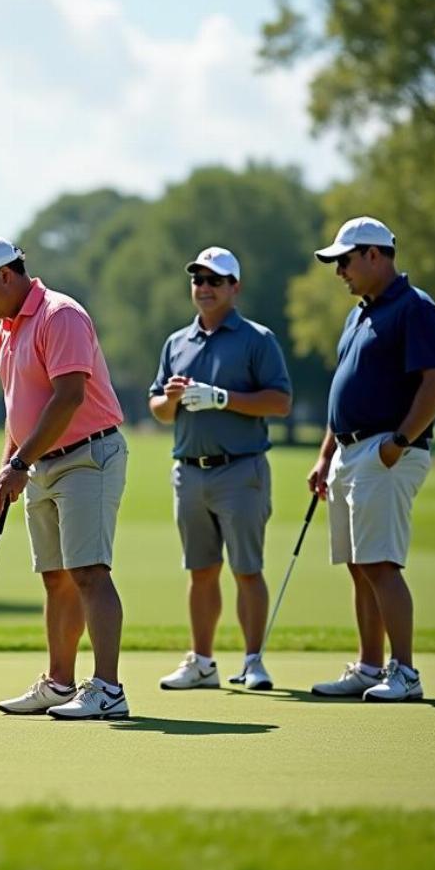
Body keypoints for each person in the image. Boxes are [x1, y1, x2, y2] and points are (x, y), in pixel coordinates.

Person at [0, 236, 129, 720]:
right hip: (40, 462)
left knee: (89, 571)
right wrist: (9, 464)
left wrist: (20, 463)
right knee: (55, 579)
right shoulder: (4, 331)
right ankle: (60, 683)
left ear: (6, 274)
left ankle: (108, 689)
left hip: (87, 455)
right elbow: (17, 409)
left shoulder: (59, 315)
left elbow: (67, 398)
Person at [306, 217, 435, 703]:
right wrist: (326, 455)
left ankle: (404, 672)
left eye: (344, 261)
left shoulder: (415, 309)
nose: (339, 271)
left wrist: (400, 441)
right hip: (349, 451)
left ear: (374, 255)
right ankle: (370, 667)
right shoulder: (359, 314)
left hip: (386, 450)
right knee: (358, 565)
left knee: (381, 564)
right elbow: (345, 392)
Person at [148, 247, 293, 692]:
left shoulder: (257, 339)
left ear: (235, 287)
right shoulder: (177, 342)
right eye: (198, 280)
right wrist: (171, 399)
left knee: (246, 569)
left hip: (240, 470)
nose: (204, 288)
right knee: (201, 570)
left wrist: (223, 398)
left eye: (215, 280)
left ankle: (253, 662)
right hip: (189, 471)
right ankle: (203, 662)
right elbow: (158, 410)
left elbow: (280, 402)